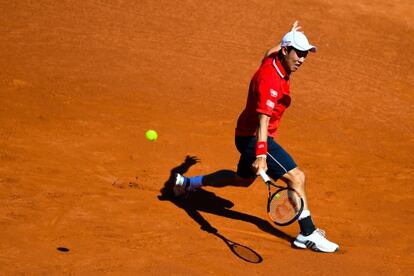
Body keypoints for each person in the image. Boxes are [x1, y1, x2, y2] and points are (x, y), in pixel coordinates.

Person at [173, 22, 339, 253]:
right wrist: (261, 153)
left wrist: (290, 36)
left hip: (245, 134)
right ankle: (307, 233)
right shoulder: (270, 81)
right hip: (254, 137)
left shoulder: (274, 60)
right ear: (286, 51)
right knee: (296, 177)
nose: (301, 59)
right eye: (298, 53)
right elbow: (263, 120)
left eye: (305, 54)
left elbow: (268, 52)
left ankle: (188, 183)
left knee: (242, 180)